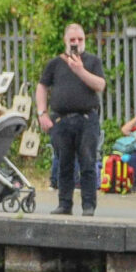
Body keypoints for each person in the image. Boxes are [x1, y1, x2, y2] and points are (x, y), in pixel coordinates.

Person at [36, 23, 106, 217]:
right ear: (65, 41)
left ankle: (88, 205)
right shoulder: (56, 63)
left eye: (80, 40)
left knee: (88, 162)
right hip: (61, 119)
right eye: (72, 40)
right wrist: (42, 113)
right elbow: (42, 86)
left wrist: (80, 70)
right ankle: (64, 204)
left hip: (86, 118)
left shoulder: (92, 61)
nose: (76, 43)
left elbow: (100, 85)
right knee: (64, 162)